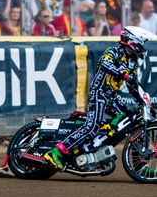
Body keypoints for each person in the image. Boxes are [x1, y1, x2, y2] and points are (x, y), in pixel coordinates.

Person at [42, 26, 153, 170]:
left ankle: (140, 166)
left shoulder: (131, 61)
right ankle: (57, 151)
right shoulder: (113, 52)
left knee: (133, 122)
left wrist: (144, 102)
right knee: (93, 125)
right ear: (132, 41)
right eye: (141, 43)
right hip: (99, 94)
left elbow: (132, 85)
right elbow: (104, 64)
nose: (143, 47)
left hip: (111, 98)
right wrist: (122, 73)